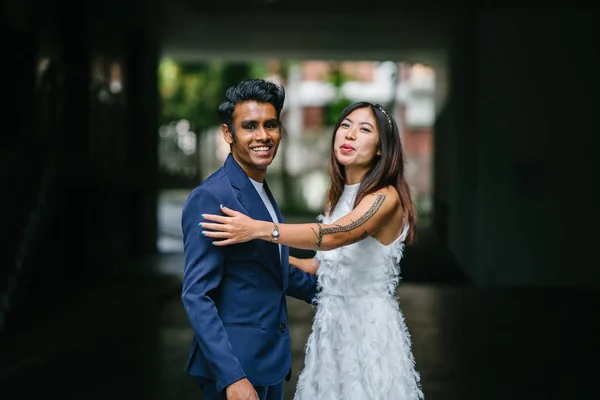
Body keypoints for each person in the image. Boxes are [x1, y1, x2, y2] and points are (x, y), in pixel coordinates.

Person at [200, 101, 425, 399]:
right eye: (345, 125)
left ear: (382, 148)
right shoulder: (340, 197)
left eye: (364, 129)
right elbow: (321, 267)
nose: (350, 135)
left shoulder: (385, 197)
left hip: (367, 330)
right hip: (331, 329)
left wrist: (259, 228)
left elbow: (335, 236)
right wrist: (252, 256)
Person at [181, 79, 318, 400]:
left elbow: (266, 270)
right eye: (250, 126)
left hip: (268, 363)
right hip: (237, 369)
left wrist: (340, 294)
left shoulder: (258, 186)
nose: (263, 136)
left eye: (270, 125)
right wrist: (231, 378)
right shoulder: (211, 197)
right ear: (228, 134)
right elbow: (197, 295)